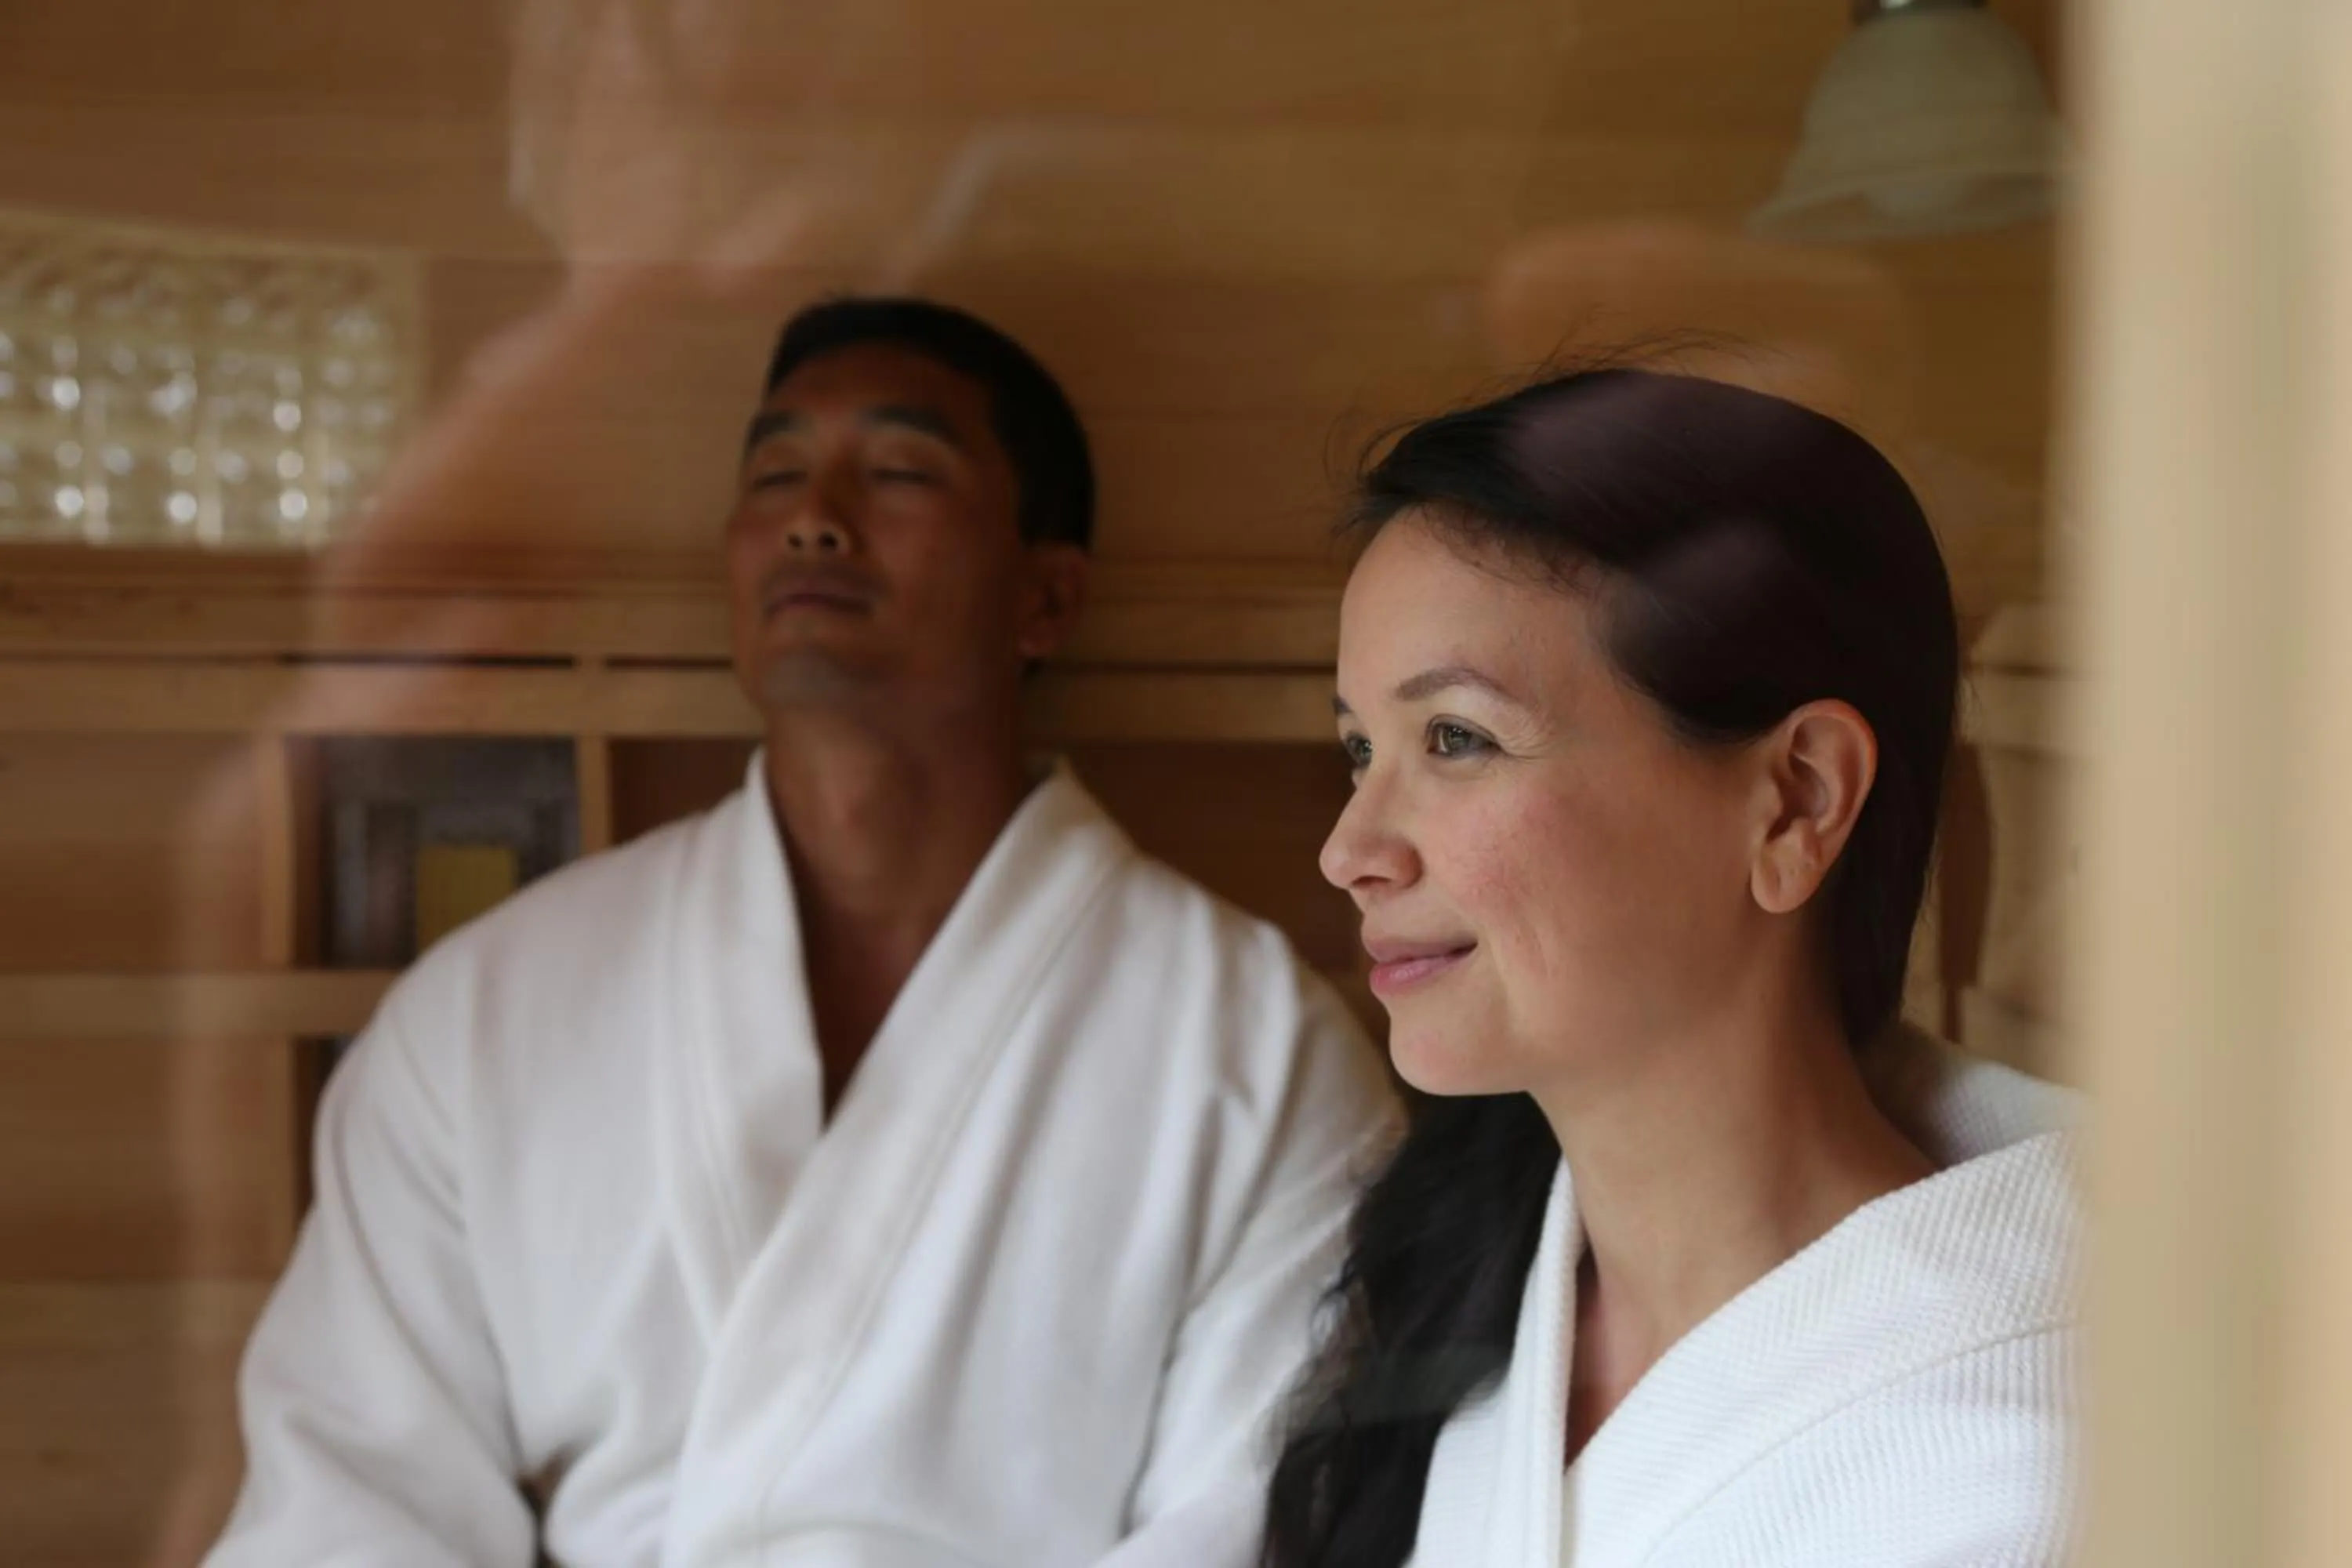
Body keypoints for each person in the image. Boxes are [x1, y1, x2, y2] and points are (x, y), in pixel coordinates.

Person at [207, 297, 1395, 1568]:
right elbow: (346, 1513)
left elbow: (1248, 1529)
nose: (813, 515)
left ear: (1046, 596)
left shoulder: (1262, 1057)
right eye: (774, 472)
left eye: (897, 471)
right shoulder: (486, 1013)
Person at [1262, 367, 2080, 1567]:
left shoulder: (2019, 1469)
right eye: (1358, 748)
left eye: (1457, 739)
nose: (1351, 851)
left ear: (1796, 802)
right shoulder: (1475, 1284)